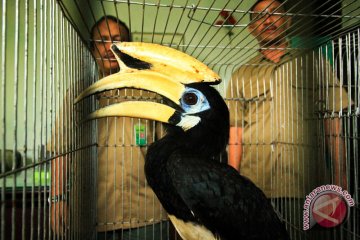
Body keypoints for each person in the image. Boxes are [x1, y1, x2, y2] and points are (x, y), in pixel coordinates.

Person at [226, 0, 350, 238]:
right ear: (251, 29)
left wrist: (340, 176)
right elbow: (235, 133)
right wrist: (233, 184)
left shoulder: (314, 63)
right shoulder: (242, 74)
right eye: (260, 17)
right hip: (256, 185)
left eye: (275, 13)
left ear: (288, 20)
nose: (268, 20)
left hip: (306, 183)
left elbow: (333, 123)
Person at [50, 16, 169, 239]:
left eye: (117, 40)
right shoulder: (80, 93)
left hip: (147, 213)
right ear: (91, 47)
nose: (109, 47)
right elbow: (61, 149)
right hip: (91, 213)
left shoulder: (149, 90)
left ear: (127, 48)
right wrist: (57, 199)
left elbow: (168, 151)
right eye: (102, 41)